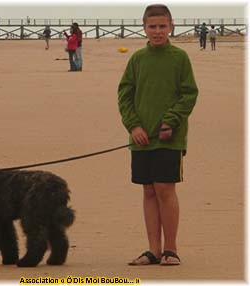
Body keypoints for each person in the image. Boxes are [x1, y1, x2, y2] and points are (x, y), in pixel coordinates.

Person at [118, 4, 198, 266]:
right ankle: (153, 249)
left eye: (162, 26)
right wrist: (134, 126)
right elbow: (124, 95)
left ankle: (171, 249)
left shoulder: (180, 58)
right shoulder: (137, 59)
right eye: (152, 26)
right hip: (140, 138)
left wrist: (170, 121)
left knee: (165, 188)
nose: (157, 31)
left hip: (169, 137)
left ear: (171, 27)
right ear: (144, 28)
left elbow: (189, 94)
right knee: (149, 190)